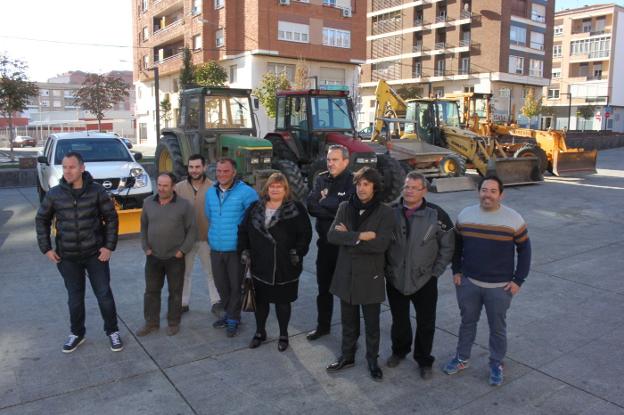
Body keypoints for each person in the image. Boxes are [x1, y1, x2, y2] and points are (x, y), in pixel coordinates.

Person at [443, 175, 531, 386]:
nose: (487, 195)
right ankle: (462, 358)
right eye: (484, 190)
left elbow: (525, 250)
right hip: (469, 284)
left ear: (501, 194)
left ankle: (496, 363)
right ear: (478, 192)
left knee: (497, 328)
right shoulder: (465, 215)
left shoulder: (514, 219)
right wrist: (456, 271)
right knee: (467, 323)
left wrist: (518, 280)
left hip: (499, 288)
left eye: (493, 191)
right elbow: (457, 246)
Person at [35, 151, 123, 353]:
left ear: (82, 168)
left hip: (95, 255)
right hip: (68, 257)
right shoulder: (54, 194)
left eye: (72, 167)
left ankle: (112, 331)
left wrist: (108, 246)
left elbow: (111, 219)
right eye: (65, 167)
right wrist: (46, 248)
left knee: (104, 295)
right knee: (74, 298)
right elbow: (41, 220)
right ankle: (77, 333)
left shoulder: (97, 191)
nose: (67, 171)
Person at [325, 167, 395, 381]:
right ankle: (347, 356)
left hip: (370, 276)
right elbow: (332, 236)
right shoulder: (345, 207)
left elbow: (381, 244)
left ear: (374, 186)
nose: (361, 188)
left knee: (372, 324)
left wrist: (350, 238)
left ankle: (372, 360)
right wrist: (362, 236)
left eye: (366, 184)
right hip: (346, 274)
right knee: (348, 320)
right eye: (358, 184)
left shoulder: (385, 211)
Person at [385, 172, 455, 380]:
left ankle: (424, 360)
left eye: (415, 188)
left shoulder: (437, 214)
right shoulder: (390, 212)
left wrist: (436, 271)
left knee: (426, 323)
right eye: (407, 187)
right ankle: (399, 351)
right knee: (399, 320)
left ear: (424, 191)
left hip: (424, 279)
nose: (409, 191)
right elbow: (381, 243)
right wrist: (386, 269)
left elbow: (448, 246)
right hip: (396, 278)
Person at [238, 173, 312, 352]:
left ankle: (284, 334)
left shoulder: (296, 209)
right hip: (260, 265)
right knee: (261, 302)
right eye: (272, 186)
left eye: (279, 186)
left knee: (282, 303)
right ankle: (260, 332)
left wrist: (298, 252)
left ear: (286, 189)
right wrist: (244, 250)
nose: (275, 189)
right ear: (267, 188)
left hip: (285, 266)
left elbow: (305, 234)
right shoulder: (255, 208)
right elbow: (243, 231)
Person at [305, 144, 355, 340]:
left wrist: (324, 202)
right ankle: (323, 326)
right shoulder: (320, 179)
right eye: (328, 159)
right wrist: (331, 206)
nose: (331, 163)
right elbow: (310, 205)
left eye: (335, 159)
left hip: (344, 249)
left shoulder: (353, 181)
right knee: (323, 290)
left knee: (346, 295)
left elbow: (348, 211)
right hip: (325, 246)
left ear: (345, 161)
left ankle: (350, 337)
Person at [205, 158, 258, 337]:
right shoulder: (210, 193)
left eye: (225, 171)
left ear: (234, 172)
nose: (221, 174)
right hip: (216, 248)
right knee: (221, 285)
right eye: (218, 171)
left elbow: (254, 220)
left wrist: (248, 247)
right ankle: (229, 314)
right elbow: (209, 215)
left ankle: (233, 318)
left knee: (236, 286)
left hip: (236, 250)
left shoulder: (247, 193)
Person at [138, 172, 195, 337]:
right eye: (159, 185)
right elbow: (143, 227)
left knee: (175, 292)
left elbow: (192, 230)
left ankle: (173, 322)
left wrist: (182, 251)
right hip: (153, 256)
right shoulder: (148, 203)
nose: (161, 189)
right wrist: (145, 247)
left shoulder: (184, 205)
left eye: (165, 186)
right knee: (151, 291)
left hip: (175, 257)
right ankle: (151, 323)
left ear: (173, 186)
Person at [174, 154, 222, 315]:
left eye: (197, 167)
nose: (194, 170)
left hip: (206, 239)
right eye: (191, 167)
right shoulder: (178, 188)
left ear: (204, 167)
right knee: (184, 274)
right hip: (185, 241)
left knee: (212, 273)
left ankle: (216, 302)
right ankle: (182, 303)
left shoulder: (214, 187)